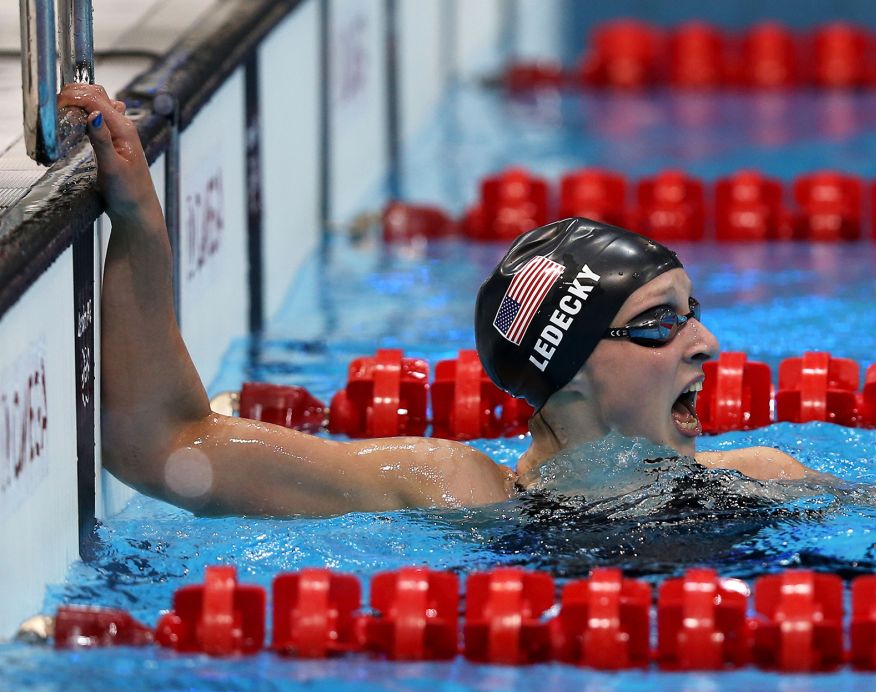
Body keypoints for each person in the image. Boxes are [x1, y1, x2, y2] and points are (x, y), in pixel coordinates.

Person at [58, 83, 820, 517]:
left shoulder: (768, 478)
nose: (706, 342)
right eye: (658, 321)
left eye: (691, 309)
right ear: (572, 365)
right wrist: (140, 226)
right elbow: (164, 448)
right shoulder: (453, 491)